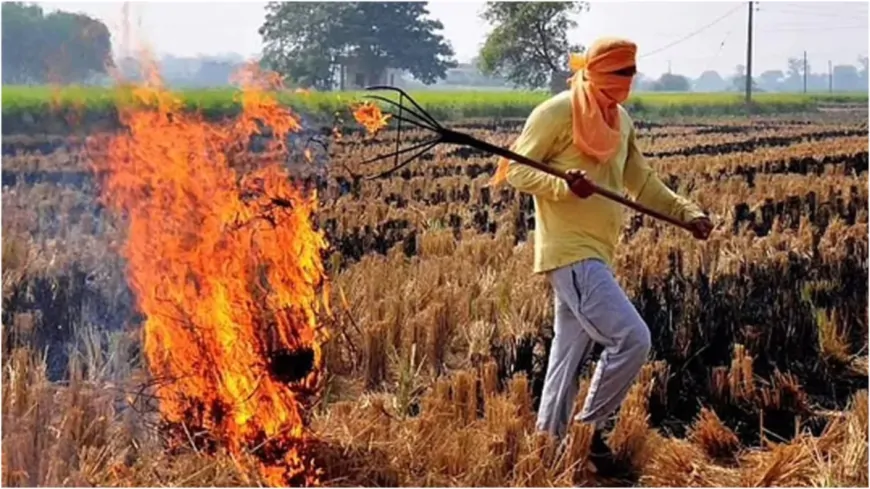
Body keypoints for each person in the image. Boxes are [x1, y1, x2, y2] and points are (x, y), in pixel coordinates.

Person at [496, 37, 713, 474]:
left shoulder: (621, 120)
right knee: (633, 339)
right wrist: (562, 184)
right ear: (597, 72)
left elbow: (643, 182)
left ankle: (549, 448)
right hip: (570, 253)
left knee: (565, 357)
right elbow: (515, 169)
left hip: (598, 251)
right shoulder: (556, 111)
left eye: (632, 73)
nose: (628, 81)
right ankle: (588, 431)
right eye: (621, 73)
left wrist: (687, 213)